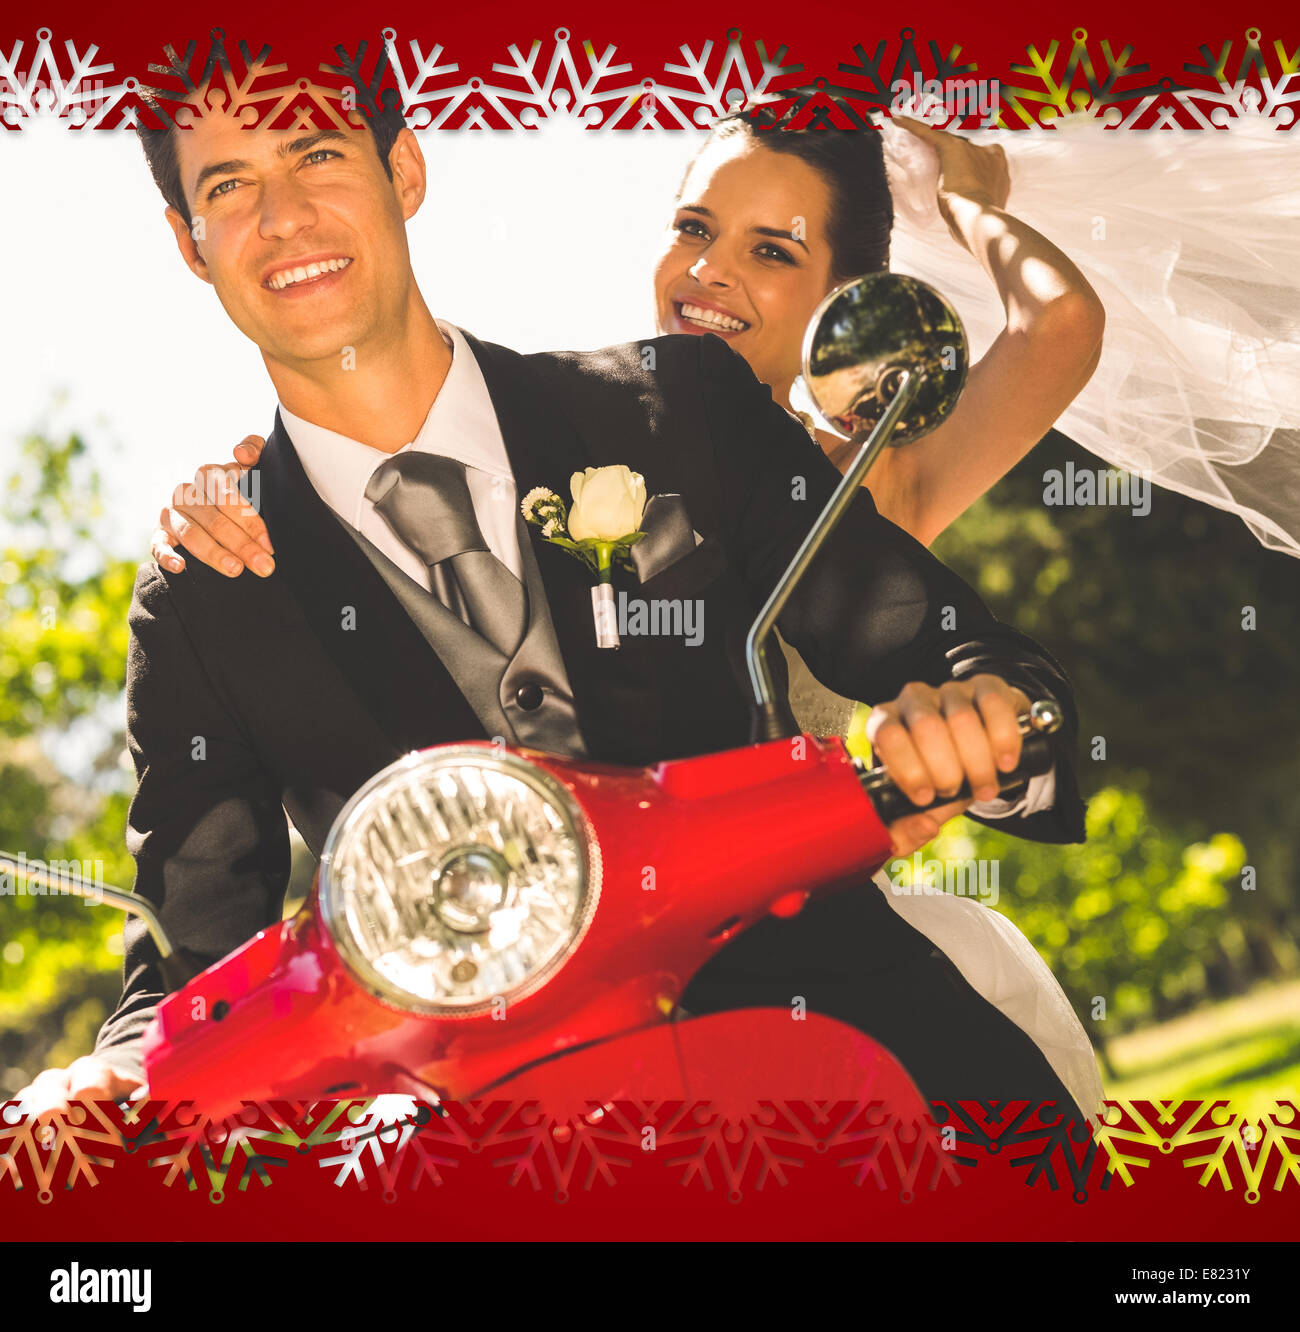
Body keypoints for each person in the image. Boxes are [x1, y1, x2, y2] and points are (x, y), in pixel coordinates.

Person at [16, 99, 1092, 1121]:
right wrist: (114, 1080)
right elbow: (194, 963)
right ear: (189, 241)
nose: (284, 214)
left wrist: (988, 715)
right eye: (230, 184)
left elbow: (957, 651)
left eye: (318, 154)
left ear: (404, 168)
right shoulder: (203, 599)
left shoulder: (684, 405)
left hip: (888, 1077)